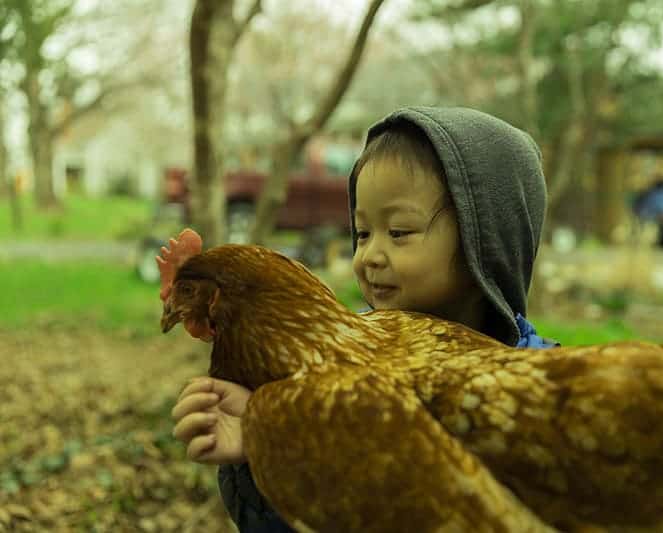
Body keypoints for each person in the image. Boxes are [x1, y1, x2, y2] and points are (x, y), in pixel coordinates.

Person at [171, 106, 559, 532]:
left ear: (485, 243)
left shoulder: (543, 385)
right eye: (361, 234)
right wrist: (265, 448)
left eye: (398, 233)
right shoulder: (324, 379)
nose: (370, 255)